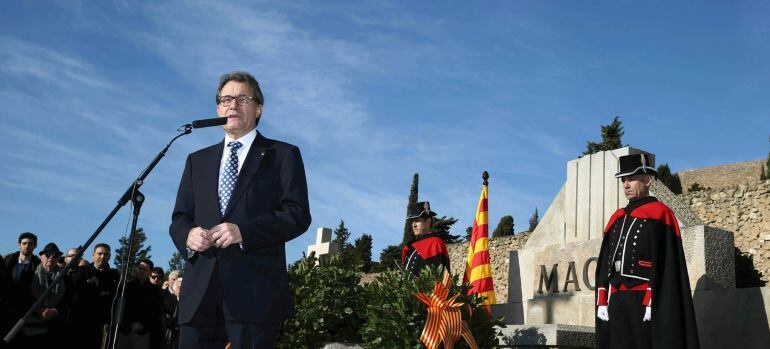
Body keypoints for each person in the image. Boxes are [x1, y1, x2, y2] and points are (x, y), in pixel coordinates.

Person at [169, 71, 312, 348]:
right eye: (226, 99)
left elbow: (297, 214)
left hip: (254, 295)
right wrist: (188, 236)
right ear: (218, 108)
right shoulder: (196, 161)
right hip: (199, 296)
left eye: (242, 98)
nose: (232, 105)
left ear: (259, 108)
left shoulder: (283, 155)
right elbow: (179, 219)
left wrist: (244, 232)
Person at [595, 153, 699, 349]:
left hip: (644, 301)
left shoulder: (661, 214)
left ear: (647, 180)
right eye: (623, 180)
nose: (626, 184)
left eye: (631, 179)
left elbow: (666, 263)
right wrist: (602, 300)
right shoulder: (617, 218)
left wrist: (652, 300)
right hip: (616, 300)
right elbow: (605, 263)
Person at [67, 243, 120, 349]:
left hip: (102, 325)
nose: (102, 257)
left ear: (109, 256)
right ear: (93, 255)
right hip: (81, 323)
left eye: (105, 254)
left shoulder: (114, 276)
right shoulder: (82, 271)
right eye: (99, 254)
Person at [2, 232, 41, 346]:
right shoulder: (7, 261)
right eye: (24, 243)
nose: (27, 246)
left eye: (30, 243)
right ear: (19, 245)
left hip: (26, 312)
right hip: (6, 310)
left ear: (35, 246)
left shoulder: (39, 266)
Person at [27, 243, 66, 346]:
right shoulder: (30, 273)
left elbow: (68, 298)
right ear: (41, 256)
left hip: (54, 324)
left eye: (56, 255)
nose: (51, 257)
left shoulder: (65, 276)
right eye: (48, 254)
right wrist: (40, 310)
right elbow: (24, 296)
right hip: (31, 322)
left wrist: (54, 311)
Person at [121, 259, 162, 349]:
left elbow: (155, 310)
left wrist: (143, 325)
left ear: (150, 272)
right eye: (140, 268)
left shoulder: (154, 290)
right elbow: (123, 307)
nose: (141, 271)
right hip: (125, 331)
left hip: (143, 332)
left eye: (145, 269)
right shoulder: (126, 286)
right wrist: (130, 324)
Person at [401, 201, 451, 276]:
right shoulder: (411, 246)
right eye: (412, 221)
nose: (414, 225)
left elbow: (441, 277)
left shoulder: (436, 244)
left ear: (428, 221)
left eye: (417, 220)